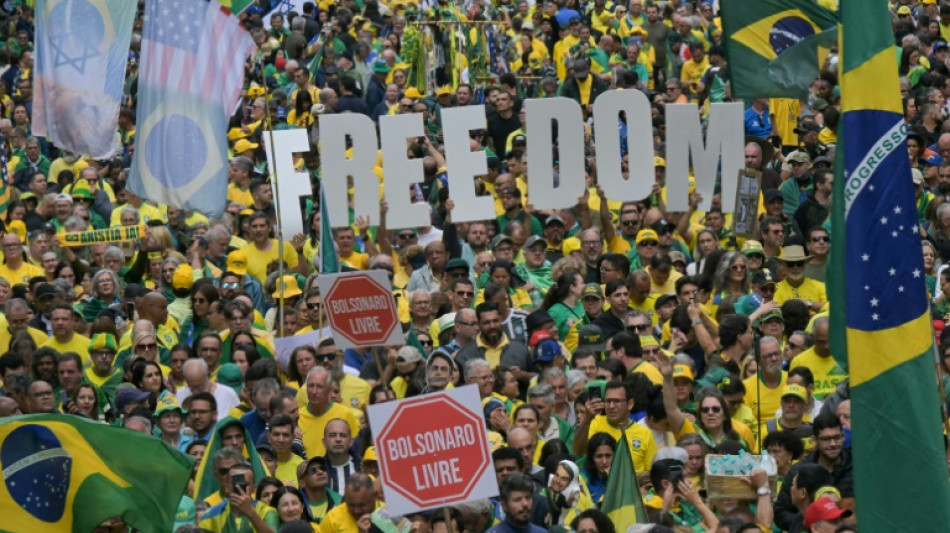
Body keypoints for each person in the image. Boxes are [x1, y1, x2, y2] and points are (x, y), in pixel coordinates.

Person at [198, 460, 280, 533]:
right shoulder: (211, 516)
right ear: (227, 486)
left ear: (253, 488)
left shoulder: (267, 512)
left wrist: (250, 512)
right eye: (235, 484)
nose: (239, 488)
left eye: (245, 484)